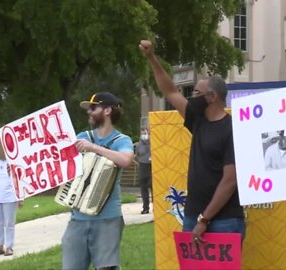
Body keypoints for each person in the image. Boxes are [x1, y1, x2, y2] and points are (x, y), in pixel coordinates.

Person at [139, 40, 245, 245]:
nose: (192, 97)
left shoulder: (233, 129)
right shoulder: (197, 120)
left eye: (197, 93)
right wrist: (152, 58)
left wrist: (205, 219)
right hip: (193, 217)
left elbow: (230, 180)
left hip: (225, 220)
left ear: (212, 97)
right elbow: (170, 91)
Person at [61, 92, 134, 270]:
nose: (89, 112)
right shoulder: (83, 136)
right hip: (77, 218)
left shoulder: (122, 140)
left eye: (93, 108)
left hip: (108, 218)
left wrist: (93, 148)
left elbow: (126, 160)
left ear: (107, 110)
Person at [0, 160, 23, 256]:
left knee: (9, 223)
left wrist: (20, 197)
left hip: (10, 196)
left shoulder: (13, 160)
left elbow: (20, 179)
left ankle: (9, 246)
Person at [135, 128, 152, 214]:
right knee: (143, 188)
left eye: (145, 133)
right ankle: (146, 208)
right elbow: (137, 155)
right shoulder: (138, 145)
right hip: (142, 166)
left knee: (153, 187)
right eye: (142, 134)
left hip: (152, 166)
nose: (144, 135)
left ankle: (156, 208)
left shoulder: (153, 143)